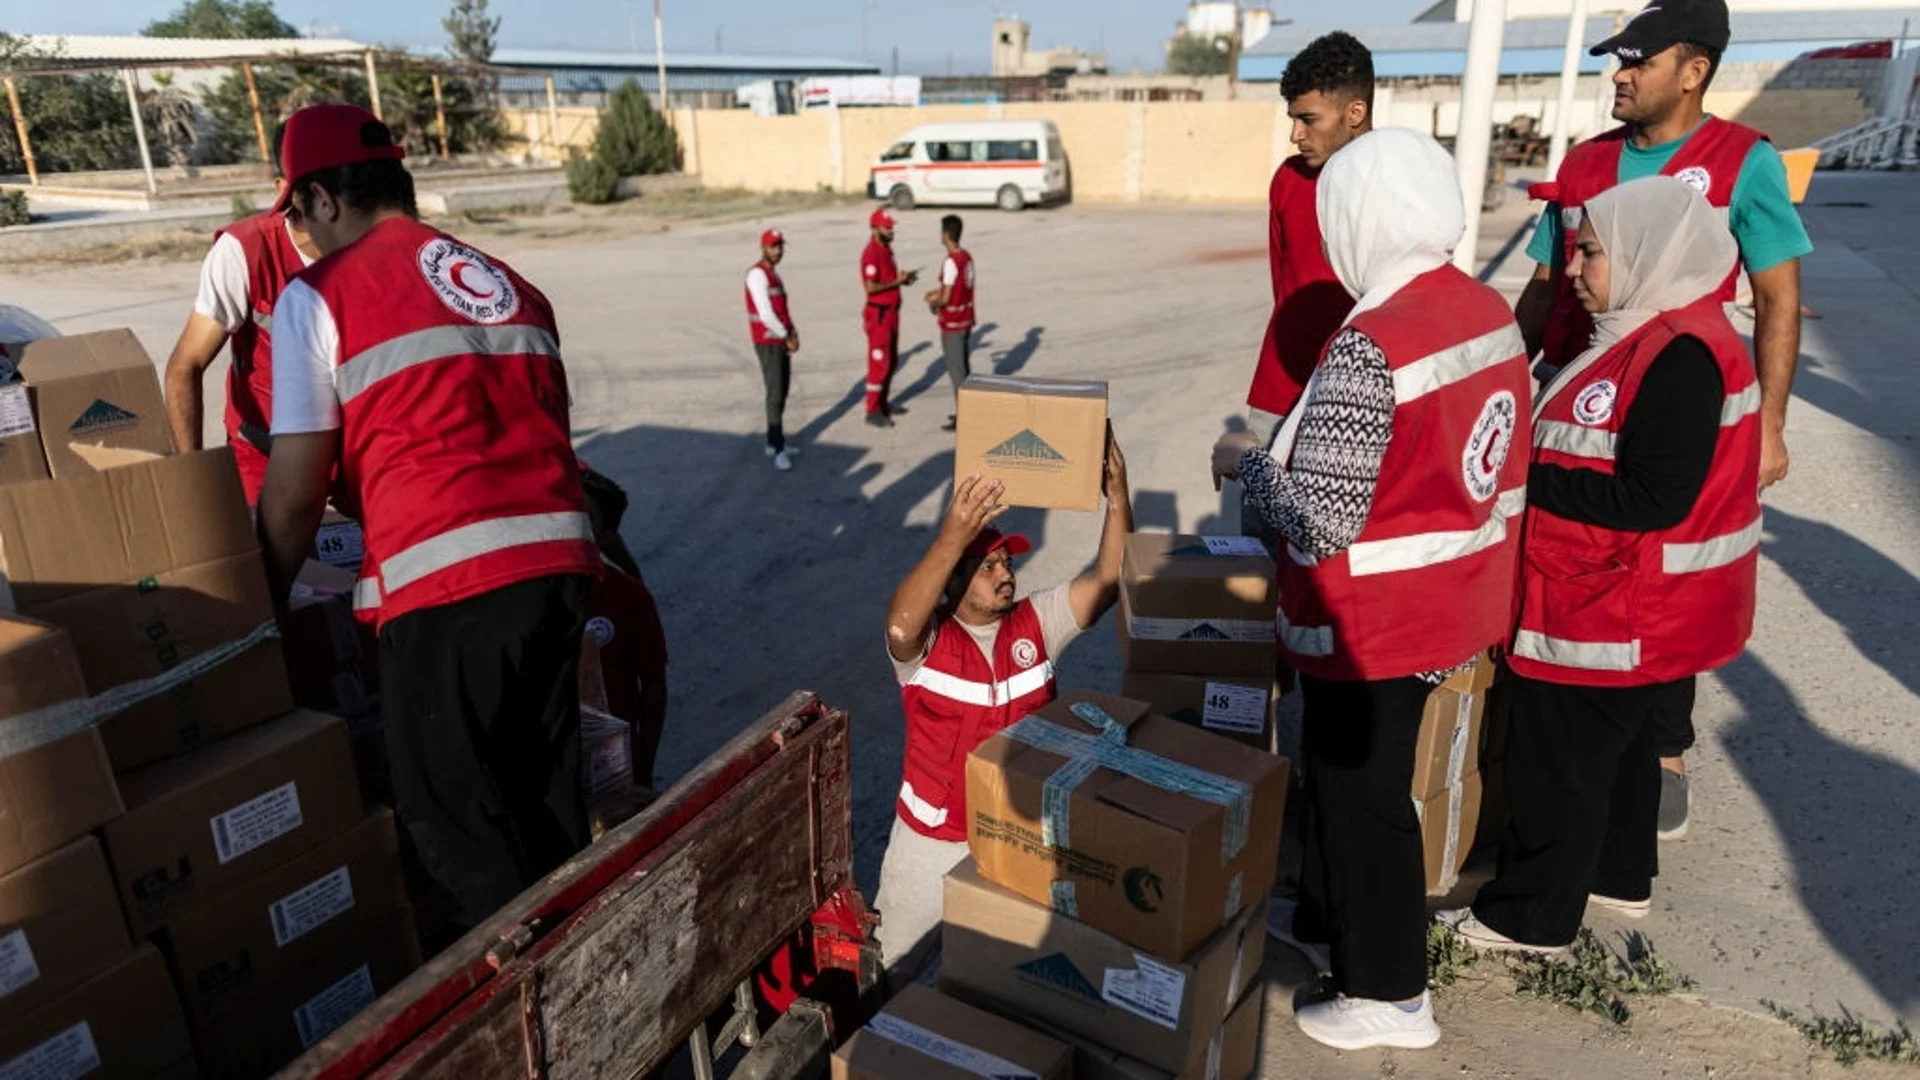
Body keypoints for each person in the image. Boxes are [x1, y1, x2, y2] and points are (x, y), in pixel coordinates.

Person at [1210, 128, 1530, 1052]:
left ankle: (1388, 991)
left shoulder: (1371, 343)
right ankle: (1324, 921)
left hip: (1374, 622)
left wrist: (1246, 463)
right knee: (1355, 787)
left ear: (1359, 218)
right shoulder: (1482, 308)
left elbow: (1317, 520)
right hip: (1455, 596)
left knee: (1365, 800)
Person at [256, 103, 602, 928]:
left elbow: (296, 489)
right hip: (558, 570)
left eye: (298, 216)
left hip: (447, 586)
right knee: (541, 798)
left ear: (326, 199)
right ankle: (592, 967)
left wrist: (258, 608)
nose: (299, 236)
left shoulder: (322, 294)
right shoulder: (513, 286)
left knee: (452, 824)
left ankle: (541, 1021)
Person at [1514, 0, 1809, 838]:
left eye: (1639, 61)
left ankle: (1664, 750)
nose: (1621, 74)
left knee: (1665, 565)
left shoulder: (1743, 163)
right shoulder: (1584, 166)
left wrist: (1773, 426)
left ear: (1694, 70)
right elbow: (1542, 287)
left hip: (1670, 399)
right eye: (1618, 60)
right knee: (1573, 560)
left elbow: (1779, 296)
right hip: (1576, 396)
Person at [1445, 177, 1760, 953]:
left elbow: (1653, 495)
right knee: (1617, 757)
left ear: (1648, 254)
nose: (1575, 269)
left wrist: (1522, 472)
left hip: (1607, 600)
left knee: (1560, 766)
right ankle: (1621, 878)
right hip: (1624, 596)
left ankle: (1528, 917)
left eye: (1590, 251)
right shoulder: (1651, 333)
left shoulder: (1679, 355)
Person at [875, 431, 1133, 986]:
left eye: (1007, 562)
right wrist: (950, 539)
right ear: (956, 579)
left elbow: (1108, 580)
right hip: (929, 845)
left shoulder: (1037, 622)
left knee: (1004, 975)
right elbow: (898, 623)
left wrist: (1118, 497)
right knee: (897, 973)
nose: (1006, 573)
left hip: (1017, 836)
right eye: (988, 566)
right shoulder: (926, 646)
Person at [1240, 30, 1373, 552]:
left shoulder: (1394, 181)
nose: (1295, 134)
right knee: (1258, 551)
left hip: (1359, 393)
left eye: (1308, 120)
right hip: (1278, 389)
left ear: (1354, 112)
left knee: (1336, 549)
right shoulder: (1288, 180)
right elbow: (1284, 282)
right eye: (1292, 118)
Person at [163, 141, 320, 504]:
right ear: (284, 189)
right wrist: (194, 478)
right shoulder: (246, 251)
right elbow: (185, 366)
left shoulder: (379, 249)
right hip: (267, 451)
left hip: (357, 449)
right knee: (270, 557)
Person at [579, 463, 670, 790]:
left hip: (611, 766)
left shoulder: (627, 596)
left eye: (585, 517)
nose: (570, 525)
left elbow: (654, 685)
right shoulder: (527, 598)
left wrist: (643, 773)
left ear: (604, 534)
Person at [747, 229, 799, 471]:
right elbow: (766, 314)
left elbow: (782, 309)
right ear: (763, 247)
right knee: (775, 394)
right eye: (772, 246)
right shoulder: (757, 275)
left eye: (779, 246)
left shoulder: (774, 275)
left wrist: (793, 331)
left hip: (779, 340)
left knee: (783, 390)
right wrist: (786, 334)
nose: (777, 251)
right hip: (768, 342)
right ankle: (777, 449)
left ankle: (774, 441)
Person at [861, 207, 918, 428]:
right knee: (879, 362)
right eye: (887, 227)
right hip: (879, 315)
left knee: (891, 361)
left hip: (891, 313)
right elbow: (871, 287)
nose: (892, 230)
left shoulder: (886, 250)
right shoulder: (871, 254)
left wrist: (903, 279)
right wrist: (897, 282)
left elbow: (887, 279)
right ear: (875, 229)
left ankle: (883, 402)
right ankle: (872, 409)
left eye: (892, 227)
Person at [923, 214, 975, 433]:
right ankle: (968, 410)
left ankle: (966, 416)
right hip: (966, 319)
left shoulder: (951, 262)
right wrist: (937, 293)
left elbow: (946, 297)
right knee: (964, 368)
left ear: (946, 234)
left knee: (957, 372)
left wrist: (933, 304)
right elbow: (958, 288)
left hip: (953, 323)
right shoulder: (966, 257)